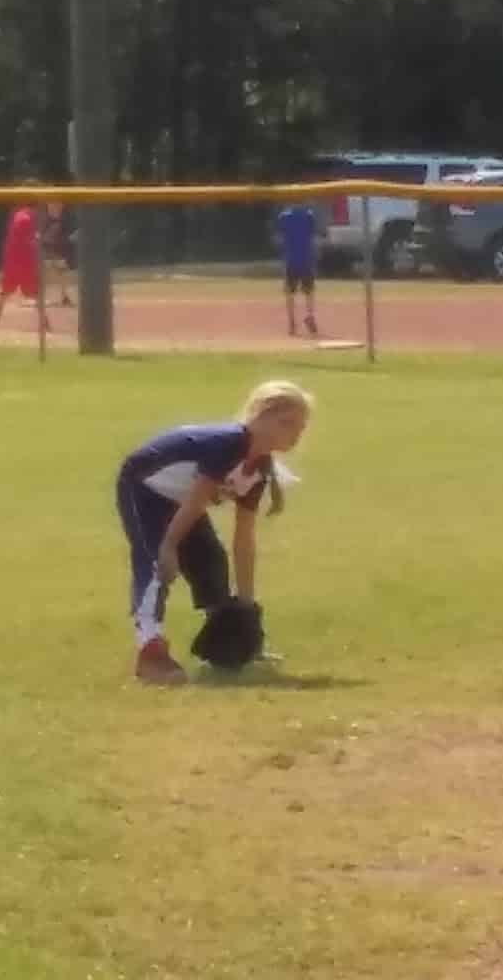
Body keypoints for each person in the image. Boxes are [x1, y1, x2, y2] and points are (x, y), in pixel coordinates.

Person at [113, 381, 314, 685]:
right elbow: (197, 501)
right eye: (288, 424)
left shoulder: (259, 467)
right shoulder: (229, 443)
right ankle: (150, 651)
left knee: (211, 561)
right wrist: (168, 547)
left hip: (181, 501)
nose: (295, 434)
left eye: (300, 428)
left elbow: (243, 538)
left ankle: (228, 635)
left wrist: (247, 609)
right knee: (156, 564)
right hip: (144, 487)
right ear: (261, 415)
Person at [0, 202, 48, 330]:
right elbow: (31, 242)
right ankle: (45, 323)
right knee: (36, 293)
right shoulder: (27, 219)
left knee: (5, 292)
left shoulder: (19, 215)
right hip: (23, 261)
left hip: (12, 261)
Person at [275, 201, 322, 337]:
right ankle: (309, 314)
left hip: (291, 259)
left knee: (290, 292)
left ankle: (292, 322)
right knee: (309, 291)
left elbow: (279, 237)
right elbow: (313, 235)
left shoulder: (283, 216)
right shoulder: (309, 215)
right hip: (306, 258)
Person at [41, 201, 75, 309]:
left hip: (56, 249)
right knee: (44, 272)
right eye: (53, 206)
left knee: (62, 272)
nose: (57, 209)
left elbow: (64, 237)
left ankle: (64, 296)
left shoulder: (62, 221)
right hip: (47, 249)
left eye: (59, 207)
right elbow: (43, 236)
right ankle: (40, 296)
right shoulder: (45, 221)